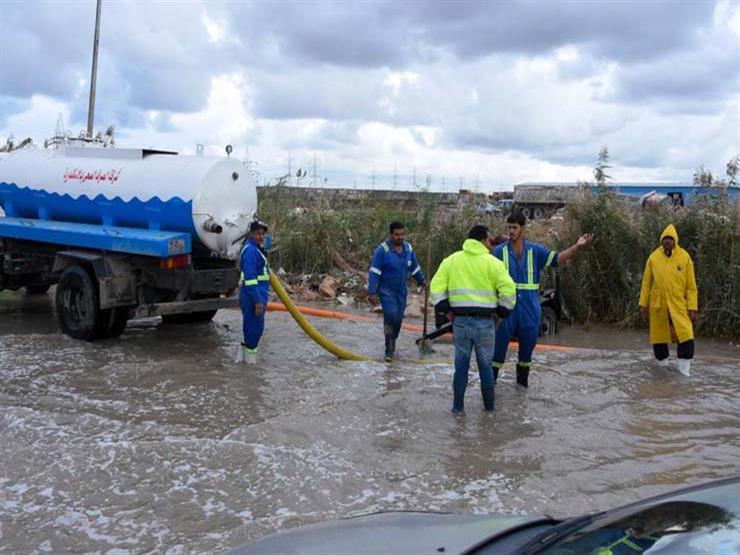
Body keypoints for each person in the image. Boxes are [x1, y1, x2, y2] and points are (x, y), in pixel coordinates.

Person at [492, 212, 593, 387]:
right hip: (506, 311)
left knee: (526, 356)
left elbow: (557, 259)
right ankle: (490, 393)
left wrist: (577, 246)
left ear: (522, 229)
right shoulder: (499, 252)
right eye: (509, 227)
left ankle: (521, 396)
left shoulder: (535, 250)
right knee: (497, 353)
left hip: (530, 311)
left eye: (514, 227)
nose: (511, 231)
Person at [430, 225, 516, 414]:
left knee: (461, 366)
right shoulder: (493, 263)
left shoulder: (451, 261)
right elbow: (509, 291)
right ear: (483, 240)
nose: (490, 244)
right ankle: (489, 412)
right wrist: (501, 313)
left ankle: (457, 410)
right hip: (486, 323)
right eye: (489, 240)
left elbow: (435, 288)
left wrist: (446, 310)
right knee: (486, 367)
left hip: (460, 322)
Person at [639, 224, 697, 376]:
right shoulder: (653, 258)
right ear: (661, 240)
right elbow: (646, 283)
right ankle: (662, 372)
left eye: (670, 239)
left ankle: (684, 373)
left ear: (675, 241)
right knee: (659, 339)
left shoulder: (685, 258)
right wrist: (643, 304)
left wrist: (692, 307)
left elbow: (691, 286)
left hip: (679, 306)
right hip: (658, 306)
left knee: (686, 337)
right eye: (665, 239)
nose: (667, 242)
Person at [368, 221, 426, 362]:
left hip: (401, 292)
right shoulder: (382, 250)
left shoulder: (408, 249)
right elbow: (374, 271)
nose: (400, 237)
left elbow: (415, 267)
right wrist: (372, 292)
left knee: (398, 320)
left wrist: (422, 280)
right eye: (397, 235)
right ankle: (389, 350)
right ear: (391, 235)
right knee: (390, 315)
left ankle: (392, 340)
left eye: (402, 234)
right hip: (386, 291)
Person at [236, 220, 270, 365]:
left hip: (254, 296)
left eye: (262, 234)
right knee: (254, 330)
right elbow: (250, 280)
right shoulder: (250, 251)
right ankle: (250, 371)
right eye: (258, 234)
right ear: (251, 234)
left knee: (251, 329)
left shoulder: (255, 249)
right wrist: (258, 302)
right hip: (253, 297)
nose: (261, 237)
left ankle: (244, 362)